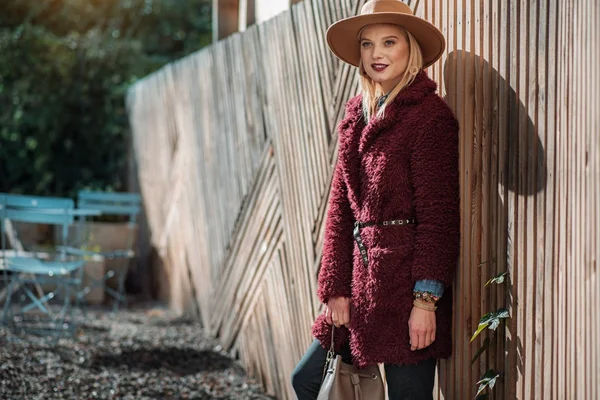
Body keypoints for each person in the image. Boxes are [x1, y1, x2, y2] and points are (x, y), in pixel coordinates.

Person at [290, 1, 460, 399]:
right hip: (359, 288)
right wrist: (334, 287)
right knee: (308, 380)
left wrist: (426, 301)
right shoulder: (356, 115)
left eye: (389, 42)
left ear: (410, 48)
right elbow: (340, 208)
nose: (376, 54)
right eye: (367, 44)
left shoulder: (430, 117)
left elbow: (439, 218)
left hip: (406, 290)